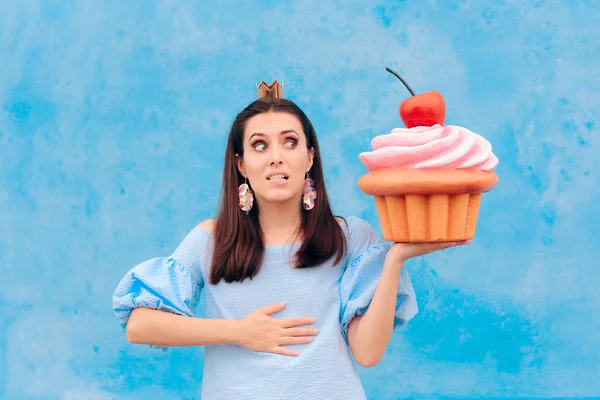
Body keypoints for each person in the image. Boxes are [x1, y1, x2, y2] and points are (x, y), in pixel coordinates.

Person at [112, 83, 468, 400]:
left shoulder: (350, 237)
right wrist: (240, 332)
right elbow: (141, 324)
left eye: (290, 142)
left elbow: (368, 353)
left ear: (310, 157)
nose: (276, 156)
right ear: (241, 164)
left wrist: (395, 260)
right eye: (259, 145)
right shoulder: (210, 241)